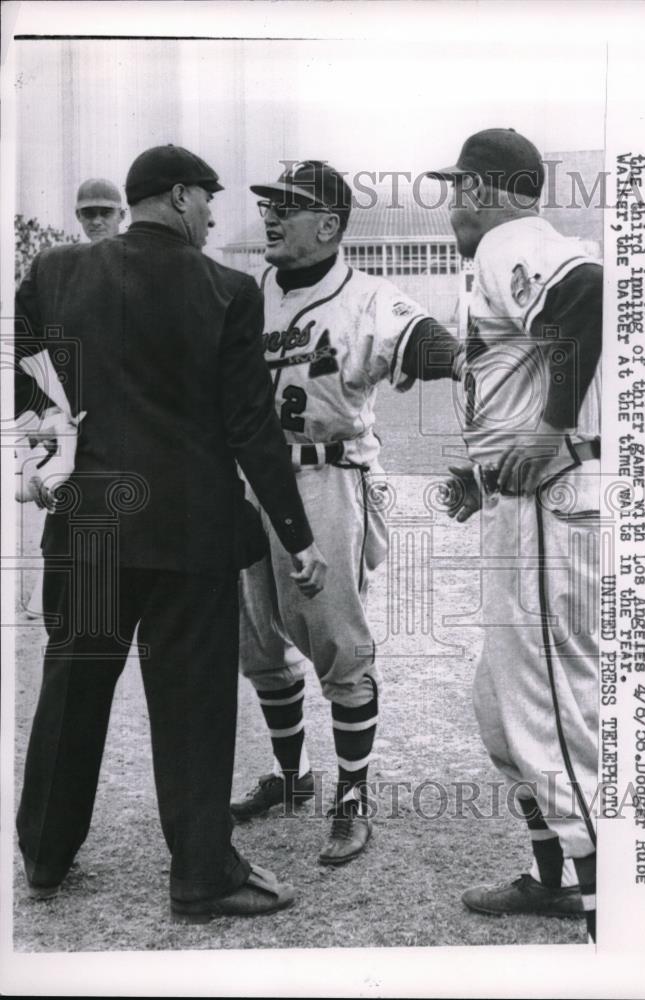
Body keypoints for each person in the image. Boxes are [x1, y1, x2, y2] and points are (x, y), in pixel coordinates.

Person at [15, 143, 327, 923]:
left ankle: (44, 857)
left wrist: (48, 421)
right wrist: (297, 535)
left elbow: (9, 352)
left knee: (72, 687)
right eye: (209, 201)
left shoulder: (57, 271)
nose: (215, 217)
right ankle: (201, 874)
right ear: (182, 197)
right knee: (191, 705)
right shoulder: (226, 290)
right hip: (191, 529)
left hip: (90, 521)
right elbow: (252, 428)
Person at [232, 160, 461, 866]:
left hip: (326, 479)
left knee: (338, 643)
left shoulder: (366, 296)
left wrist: (466, 360)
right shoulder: (247, 293)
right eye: (268, 204)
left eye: (288, 207)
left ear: (328, 225)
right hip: (244, 482)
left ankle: (353, 796)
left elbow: (428, 343)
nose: (270, 216)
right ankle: (293, 777)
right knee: (257, 642)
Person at [430, 129, 601, 941]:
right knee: (501, 707)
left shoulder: (512, 241)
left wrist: (553, 431)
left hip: (550, 504)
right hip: (523, 501)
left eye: (461, 186)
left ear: (490, 189)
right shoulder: (502, 254)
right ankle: (549, 879)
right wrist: (484, 466)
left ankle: (616, 908)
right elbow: (521, 374)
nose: (454, 202)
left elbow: (585, 296)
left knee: (549, 709)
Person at [22, 178, 127, 621]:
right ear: (78, 217)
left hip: (136, 436)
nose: (97, 219)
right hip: (77, 436)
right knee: (66, 602)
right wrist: (42, 412)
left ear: (123, 216)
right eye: (89, 212)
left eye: (106, 211)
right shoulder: (56, 272)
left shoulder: (144, 270)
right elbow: (17, 352)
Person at [74, 177, 126, 242]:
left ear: (121, 215)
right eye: (89, 213)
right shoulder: (78, 252)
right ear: (78, 216)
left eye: (106, 213)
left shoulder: (134, 251)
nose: (96, 222)